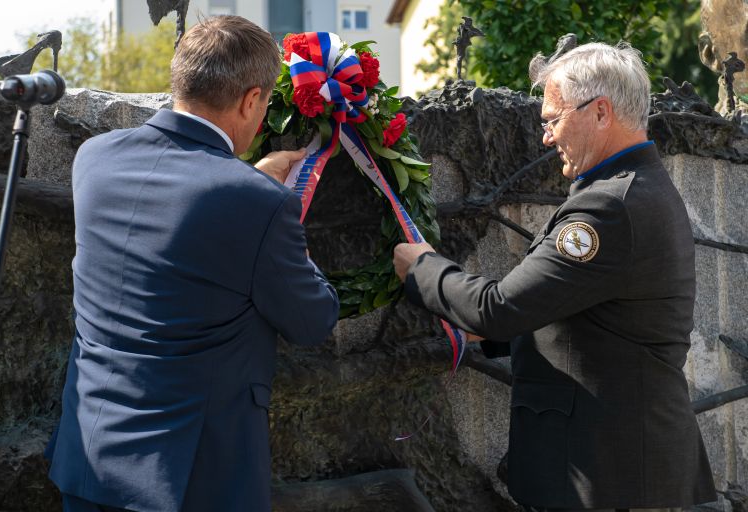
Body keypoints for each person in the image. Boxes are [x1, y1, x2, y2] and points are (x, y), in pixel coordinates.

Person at [393, 42, 717, 510]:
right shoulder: (636, 189)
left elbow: (498, 309)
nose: (546, 137)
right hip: (620, 468)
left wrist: (421, 267)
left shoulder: (608, 206)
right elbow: (589, 312)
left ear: (601, 112)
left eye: (552, 120)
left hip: (608, 474)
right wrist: (495, 343)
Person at [46, 15, 339, 512]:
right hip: (191, 481)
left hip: (88, 458)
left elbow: (178, 201)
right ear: (251, 100)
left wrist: (247, 182)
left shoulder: (94, 159)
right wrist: (268, 200)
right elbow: (313, 321)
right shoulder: (260, 202)